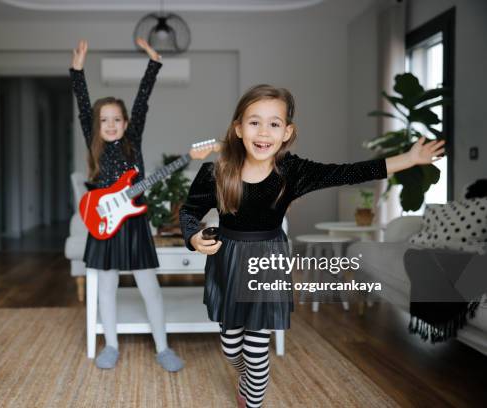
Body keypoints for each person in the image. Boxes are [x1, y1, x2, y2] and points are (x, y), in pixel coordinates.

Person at [179, 84, 445, 407]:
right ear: (238, 128)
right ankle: (243, 376)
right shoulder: (215, 172)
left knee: (257, 348)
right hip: (229, 261)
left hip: (267, 262)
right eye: (254, 122)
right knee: (231, 347)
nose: (264, 132)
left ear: (287, 132)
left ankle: (252, 402)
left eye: (274, 124)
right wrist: (193, 237)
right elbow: (190, 211)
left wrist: (410, 158)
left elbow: (348, 173)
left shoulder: (292, 172)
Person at [70, 38, 184, 372]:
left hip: (133, 224)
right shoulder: (95, 145)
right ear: (97, 124)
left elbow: (142, 102)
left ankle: (163, 348)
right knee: (106, 287)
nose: (110, 124)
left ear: (125, 122)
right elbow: (82, 104)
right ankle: (111, 345)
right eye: (104, 120)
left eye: (116, 119)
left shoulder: (132, 141)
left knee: (150, 287)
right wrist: (77, 70)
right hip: (104, 225)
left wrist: (154, 62)